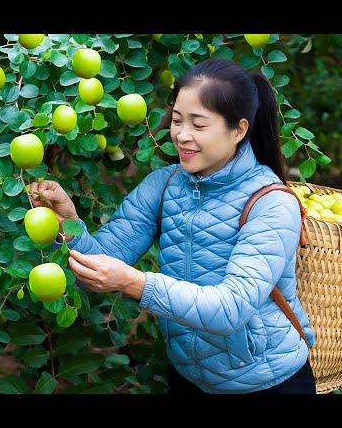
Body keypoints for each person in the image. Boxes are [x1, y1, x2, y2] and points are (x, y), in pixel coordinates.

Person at [29, 58, 316, 394]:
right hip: (189, 378)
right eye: (177, 121)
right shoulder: (164, 185)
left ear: (238, 129)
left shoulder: (272, 203)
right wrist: (68, 225)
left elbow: (231, 309)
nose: (182, 135)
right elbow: (103, 262)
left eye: (199, 124)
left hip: (266, 382)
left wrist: (136, 283)